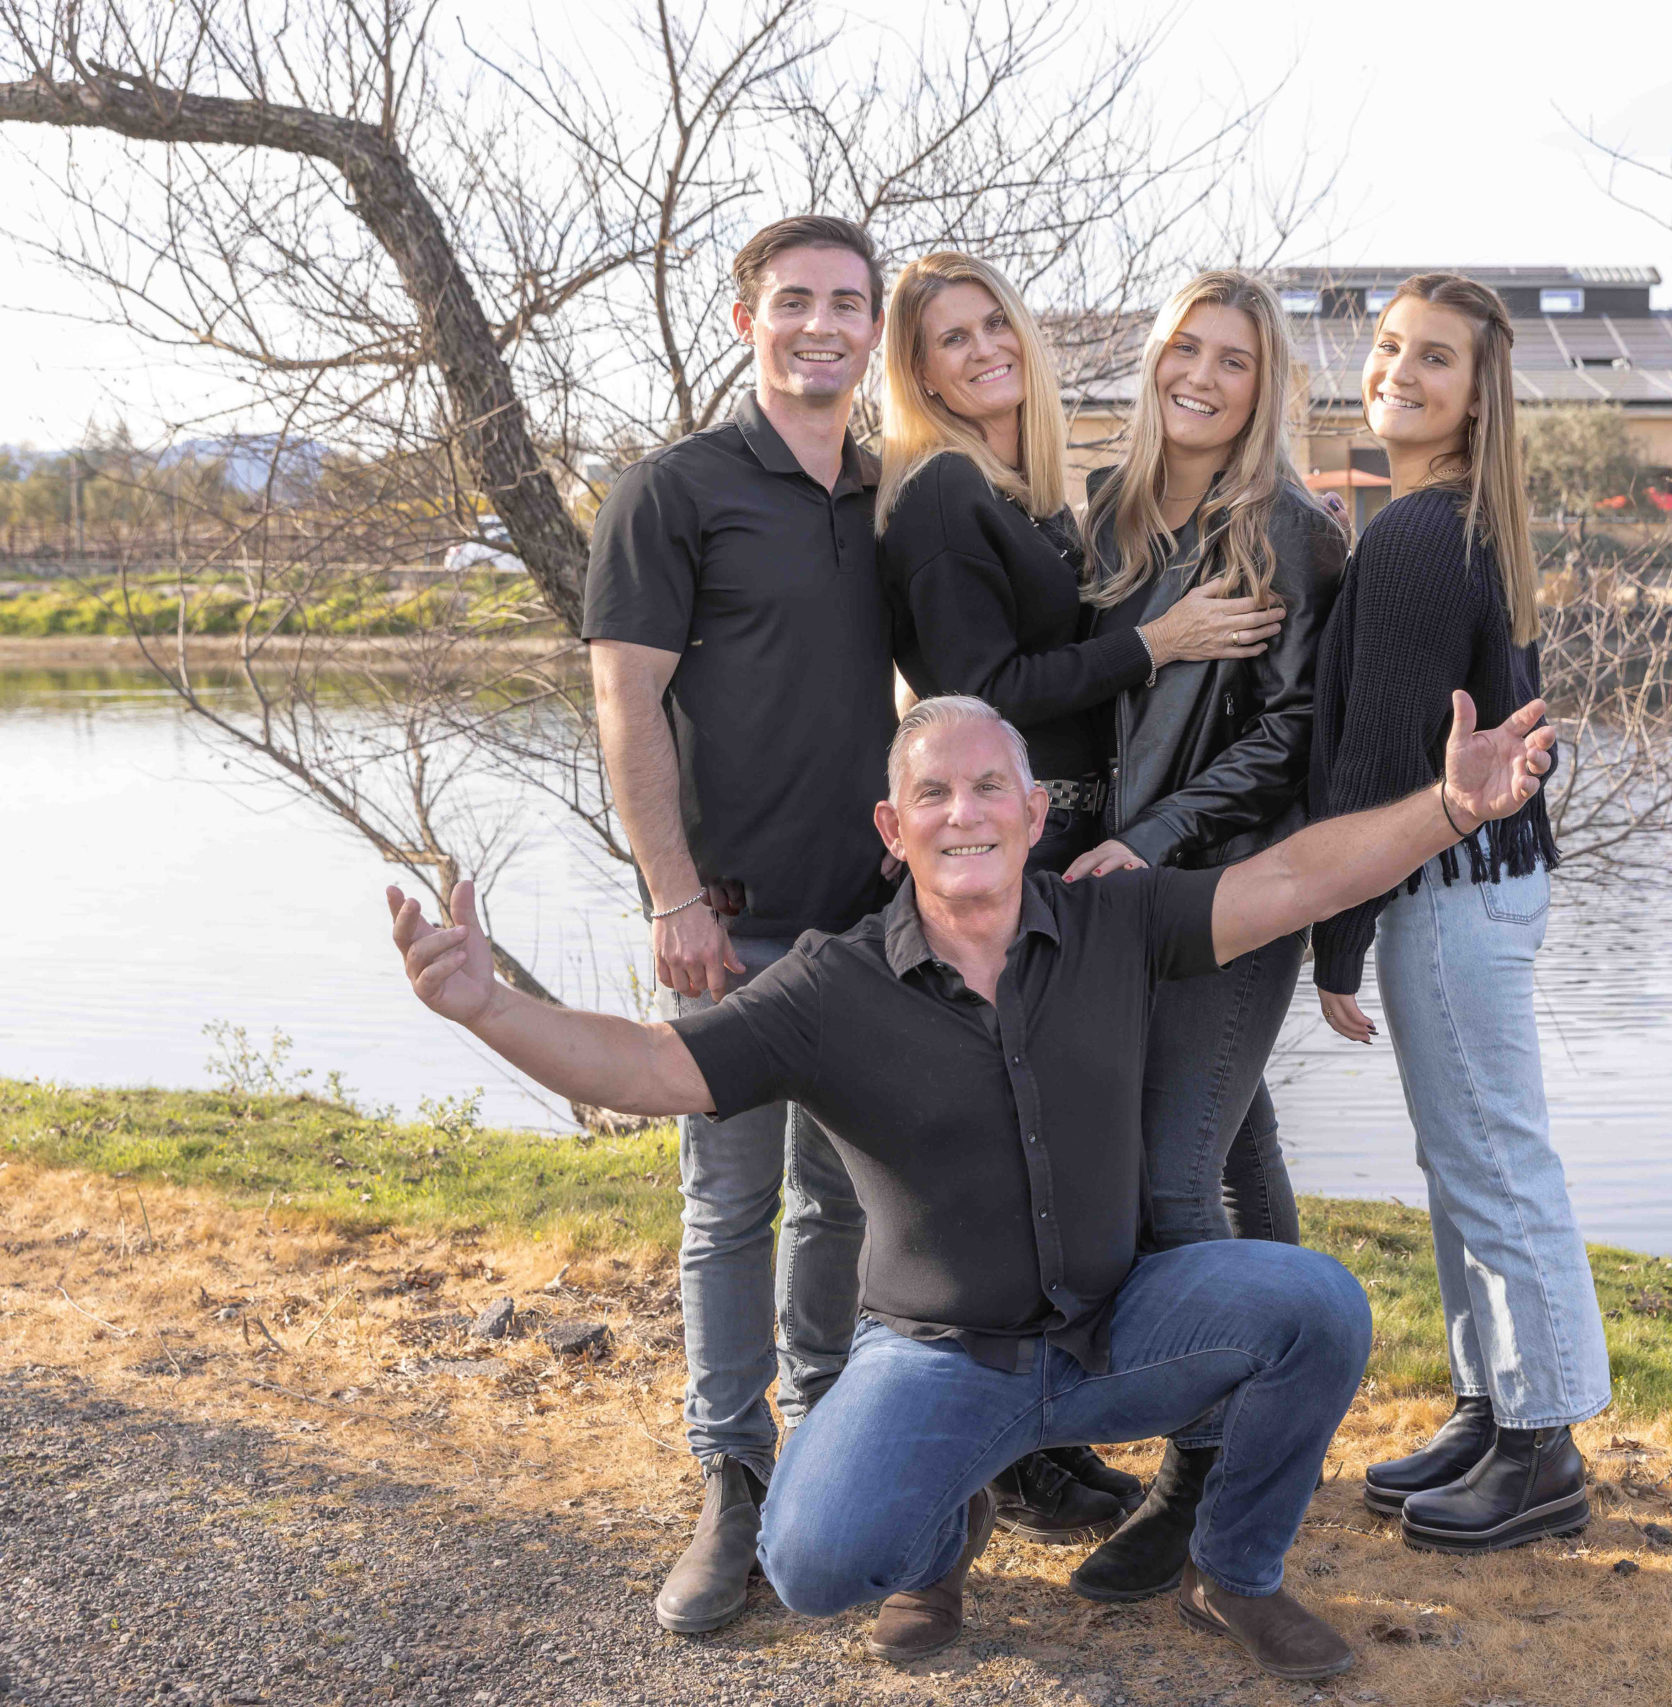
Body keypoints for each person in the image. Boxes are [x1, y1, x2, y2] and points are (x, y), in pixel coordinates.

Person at [383, 688, 1562, 1679]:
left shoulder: (1115, 922)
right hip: (937, 1361)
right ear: (893, 828)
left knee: (1314, 1306)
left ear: (1036, 813)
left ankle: (1232, 1571)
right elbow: (650, 1064)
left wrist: (1451, 808)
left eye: (991, 787)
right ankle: (945, 1522)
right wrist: (488, 1005)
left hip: (1121, 1334)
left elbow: (1297, 880)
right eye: (935, 795)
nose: (966, 814)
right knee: (812, 1567)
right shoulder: (828, 989)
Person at [581, 215, 886, 1633]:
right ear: (744, 316)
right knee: (727, 1209)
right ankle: (733, 1472)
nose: (821, 324)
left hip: (871, 932)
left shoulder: (886, 496)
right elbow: (625, 699)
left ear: (873, 330)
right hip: (737, 926)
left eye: (847, 304)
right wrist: (673, 892)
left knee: (839, 1203)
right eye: (795, 302)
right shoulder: (676, 489)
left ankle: (828, 1444)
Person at [1309, 272, 1613, 1554]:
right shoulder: (1446, 521)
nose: (1401, 373)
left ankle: (1542, 1443)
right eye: (1388, 348)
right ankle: (1492, 1403)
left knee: (1493, 1162)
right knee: (1462, 1163)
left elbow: (1379, 752)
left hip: (1451, 886)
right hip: (1470, 884)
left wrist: (1331, 935)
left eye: (1436, 359)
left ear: (1482, 396)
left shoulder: (1422, 533)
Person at [1058, 270, 1347, 1603]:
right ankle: (1289, 1399)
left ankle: (1202, 1468)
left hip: (1230, 890)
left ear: (1263, 383)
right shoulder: (1106, 511)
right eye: (1189, 348)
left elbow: (1289, 734)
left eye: (1235, 360)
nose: (1205, 376)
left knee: (1174, 1176)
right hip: (1111, 885)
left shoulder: (1286, 529)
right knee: (1239, 1139)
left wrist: (1161, 835)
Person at [874, 251, 1284, 879]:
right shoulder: (943, 490)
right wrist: (1158, 643)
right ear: (921, 372)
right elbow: (985, 693)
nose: (984, 349)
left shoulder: (1030, 501)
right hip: (1018, 835)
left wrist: (1290, 510)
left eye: (995, 323)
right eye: (953, 339)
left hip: (1079, 828)